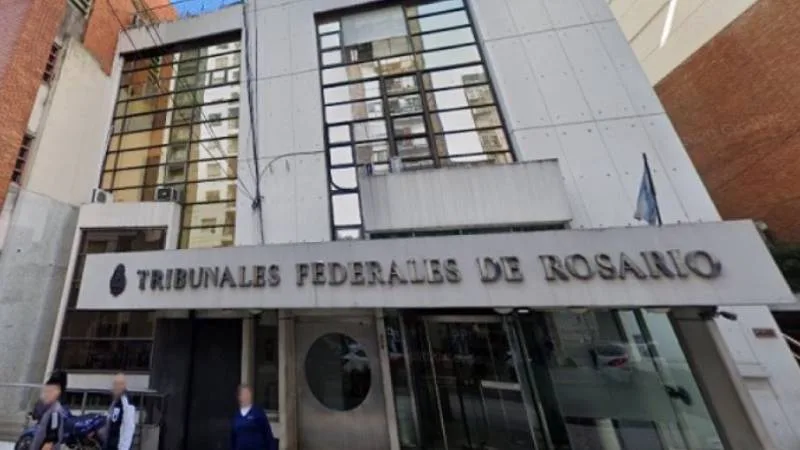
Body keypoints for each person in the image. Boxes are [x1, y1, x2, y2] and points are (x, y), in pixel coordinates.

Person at [231, 384, 276, 450]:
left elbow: (267, 434)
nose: (246, 396)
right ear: (239, 397)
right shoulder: (236, 416)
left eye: (248, 394)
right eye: (244, 394)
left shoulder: (258, 412)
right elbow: (233, 438)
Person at [30, 373, 67, 450]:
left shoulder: (55, 412)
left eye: (50, 391)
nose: (46, 394)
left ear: (58, 392)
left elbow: (51, 439)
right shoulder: (49, 408)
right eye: (46, 391)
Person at [103, 373, 136, 450]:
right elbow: (110, 417)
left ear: (123, 385)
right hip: (111, 444)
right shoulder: (116, 400)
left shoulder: (126, 402)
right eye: (114, 384)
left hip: (119, 445)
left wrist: (124, 447)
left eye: (118, 384)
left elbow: (129, 426)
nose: (115, 387)